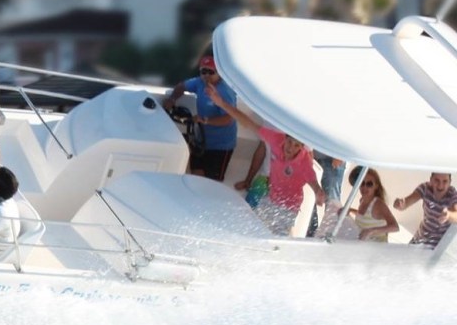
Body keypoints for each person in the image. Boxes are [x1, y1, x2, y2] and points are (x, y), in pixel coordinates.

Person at [206, 84, 326, 235]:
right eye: (289, 142)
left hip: (288, 208)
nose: (291, 148)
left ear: (302, 147)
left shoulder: (304, 163)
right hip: (271, 197)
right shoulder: (275, 140)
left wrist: (318, 192)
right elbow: (248, 123)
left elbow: (313, 181)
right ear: (285, 137)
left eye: (297, 146)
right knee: (251, 227)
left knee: (274, 238)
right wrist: (222, 103)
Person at [163, 55, 237, 181]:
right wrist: (172, 99)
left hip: (221, 146)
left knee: (211, 183)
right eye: (204, 71)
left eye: (211, 72)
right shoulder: (199, 82)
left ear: (219, 73)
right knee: (196, 176)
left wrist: (206, 120)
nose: (206, 75)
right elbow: (182, 86)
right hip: (201, 142)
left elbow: (228, 119)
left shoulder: (225, 92)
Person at [394, 173, 457, 248]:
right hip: (420, 237)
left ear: (450, 182)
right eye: (437, 180)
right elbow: (407, 202)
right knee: (405, 257)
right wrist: (400, 204)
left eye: (445, 181)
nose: (440, 185)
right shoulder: (425, 188)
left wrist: (448, 215)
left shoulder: (453, 194)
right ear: (431, 180)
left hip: (438, 245)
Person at [343, 168, 399, 242]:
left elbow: (395, 227)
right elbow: (365, 216)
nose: (365, 187)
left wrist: (371, 231)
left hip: (377, 249)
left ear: (376, 186)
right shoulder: (362, 200)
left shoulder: (379, 205)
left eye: (369, 184)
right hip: (363, 245)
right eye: (362, 183)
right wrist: (350, 210)